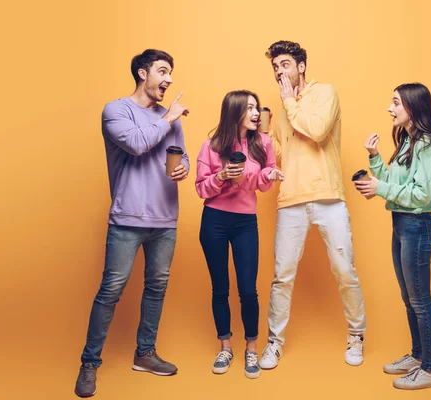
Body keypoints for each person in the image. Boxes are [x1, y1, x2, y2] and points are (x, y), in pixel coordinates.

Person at [75, 49, 190, 398]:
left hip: (165, 218)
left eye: (170, 72)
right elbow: (138, 144)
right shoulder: (116, 111)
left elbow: (179, 154)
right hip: (127, 217)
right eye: (162, 71)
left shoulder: (171, 119)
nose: (168, 79)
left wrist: (184, 166)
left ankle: (145, 353)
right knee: (111, 290)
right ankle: (90, 363)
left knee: (157, 288)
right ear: (143, 73)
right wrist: (169, 118)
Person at [259, 40, 367, 370]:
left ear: (301, 66)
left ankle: (356, 334)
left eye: (285, 64)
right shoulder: (281, 111)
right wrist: (264, 131)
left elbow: (317, 131)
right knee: (282, 276)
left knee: (344, 270)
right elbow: (277, 154)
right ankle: (275, 342)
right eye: (276, 66)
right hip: (290, 200)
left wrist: (290, 103)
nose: (280, 71)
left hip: (328, 197)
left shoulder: (325, 93)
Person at [355, 82, 431, 390]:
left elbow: (421, 195)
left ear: (412, 107)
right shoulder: (410, 143)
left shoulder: (427, 145)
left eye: (395, 102)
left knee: (420, 300)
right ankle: (419, 355)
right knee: (410, 299)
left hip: (417, 226)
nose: (390, 108)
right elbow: (392, 181)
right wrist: (373, 157)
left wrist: (380, 189)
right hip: (401, 224)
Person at [196, 90, 283, 379]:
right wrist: (221, 177)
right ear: (234, 113)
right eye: (249, 108)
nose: (256, 113)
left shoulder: (264, 143)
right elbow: (200, 189)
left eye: (257, 107)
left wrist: (268, 176)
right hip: (215, 220)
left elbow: (262, 183)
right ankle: (225, 346)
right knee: (220, 287)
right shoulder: (211, 145)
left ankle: (250, 348)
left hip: (246, 221)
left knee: (248, 288)